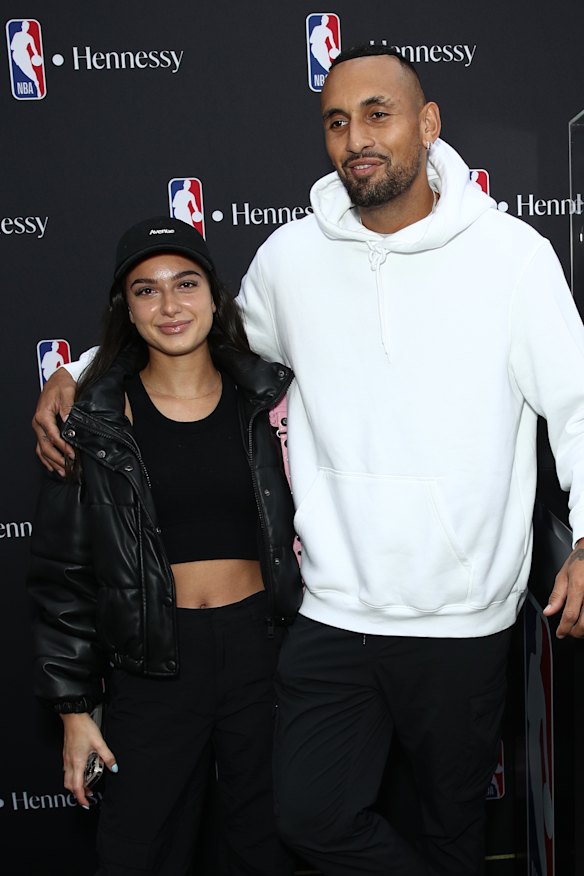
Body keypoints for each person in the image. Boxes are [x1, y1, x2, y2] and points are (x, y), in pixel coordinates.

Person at [31, 46, 584, 875]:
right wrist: (77, 375)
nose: (356, 136)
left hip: (461, 620)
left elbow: (577, 401)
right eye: (336, 121)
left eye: (377, 114)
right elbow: (199, 336)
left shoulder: (511, 256)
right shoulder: (292, 258)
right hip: (329, 614)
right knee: (307, 817)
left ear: (427, 125)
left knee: (452, 832)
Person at [27, 216, 302, 876]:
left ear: (214, 293)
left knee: (263, 849)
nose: (171, 305)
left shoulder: (270, 398)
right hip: (153, 665)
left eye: (185, 283)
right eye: (147, 290)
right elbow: (62, 577)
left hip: (262, 653)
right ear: (128, 307)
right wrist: (73, 709)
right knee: (138, 852)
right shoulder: (92, 419)